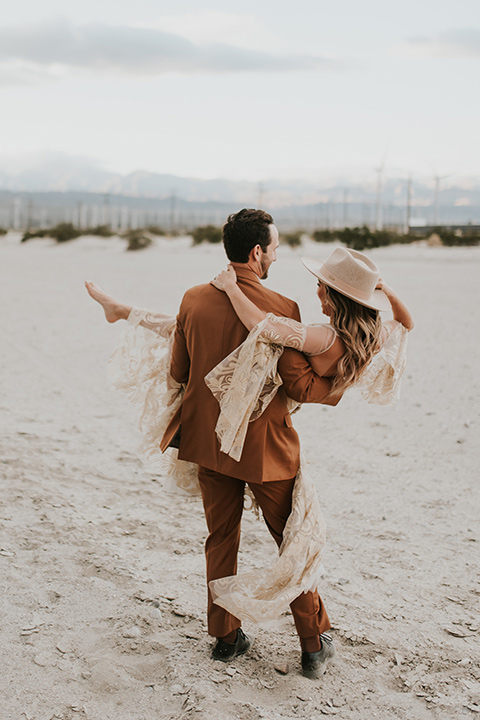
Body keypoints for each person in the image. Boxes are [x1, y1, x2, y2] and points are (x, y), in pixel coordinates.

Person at [86, 208, 342, 680]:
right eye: (276, 248)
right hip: (264, 448)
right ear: (257, 252)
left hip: (207, 443)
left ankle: (225, 638)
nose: (278, 255)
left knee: (220, 539)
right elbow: (295, 385)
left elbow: (179, 373)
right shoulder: (284, 308)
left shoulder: (193, 299)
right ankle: (312, 643)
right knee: (293, 542)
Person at [210, 247, 414, 405]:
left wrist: (231, 287)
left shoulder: (323, 338)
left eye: (320, 285)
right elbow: (406, 323)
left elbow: (261, 326)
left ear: (334, 297)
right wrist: (388, 291)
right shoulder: (373, 337)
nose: (317, 291)